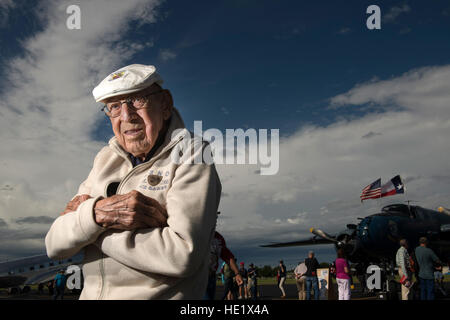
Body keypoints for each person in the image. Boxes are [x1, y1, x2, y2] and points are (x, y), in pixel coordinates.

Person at [45, 64, 222, 299]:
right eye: (114, 107)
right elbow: (54, 245)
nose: (127, 116)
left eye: (138, 100)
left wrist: (87, 226)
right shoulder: (104, 159)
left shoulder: (193, 153)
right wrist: (98, 214)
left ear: (165, 104)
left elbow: (182, 255)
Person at [205, 230, 243, 300]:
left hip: (211, 278)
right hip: (198, 278)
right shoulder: (195, 234)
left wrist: (237, 273)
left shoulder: (218, 238)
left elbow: (227, 256)